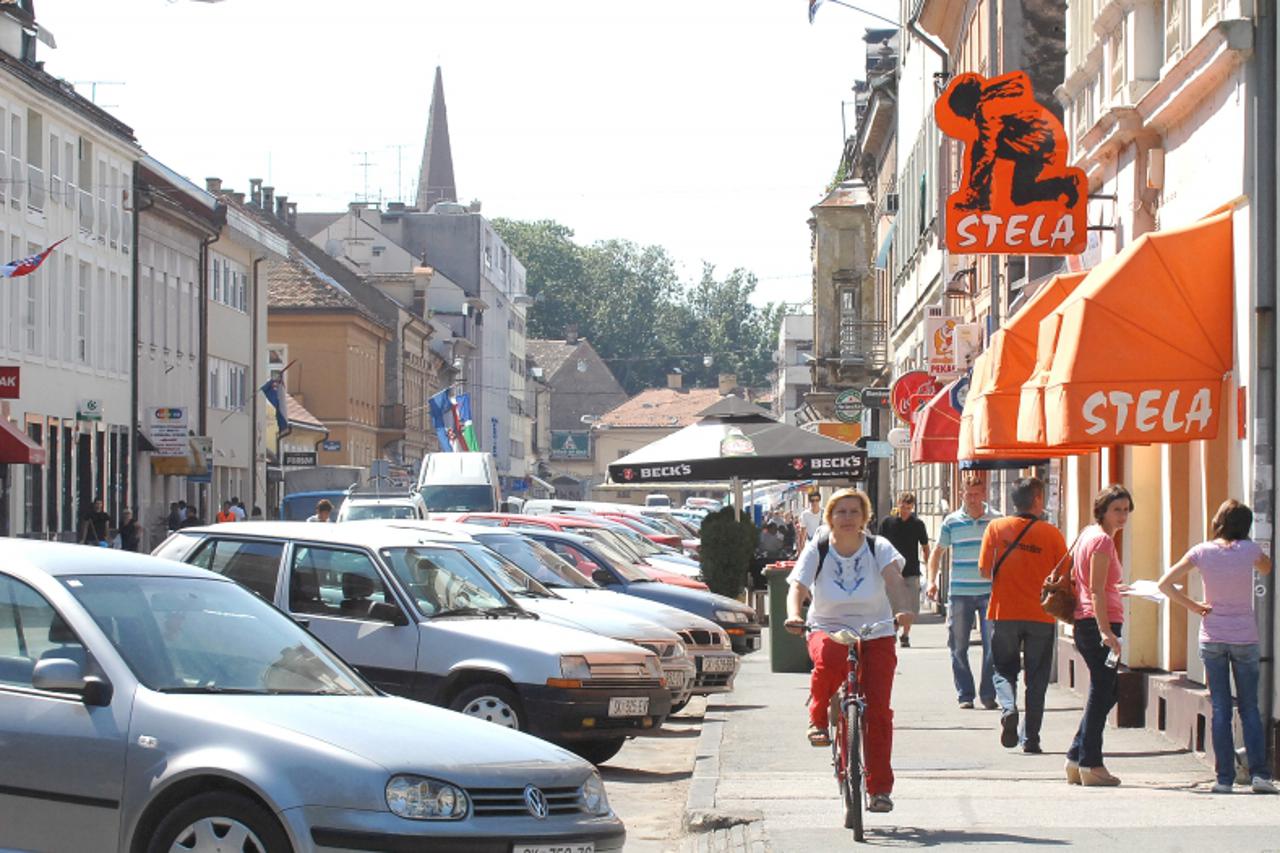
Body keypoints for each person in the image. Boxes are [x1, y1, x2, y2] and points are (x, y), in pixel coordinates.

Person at [784, 488, 915, 815]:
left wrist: (903, 609)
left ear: (864, 517)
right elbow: (798, 586)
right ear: (829, 517)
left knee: (879, 712)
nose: (847, 518)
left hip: (876, 629)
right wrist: (795, 614)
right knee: (829, 658)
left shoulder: (877, 546)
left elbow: (894, 580)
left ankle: (880, 789)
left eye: (854, 512)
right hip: (828, 626)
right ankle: (817, 718)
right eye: (840, 512)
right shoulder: (820, 547)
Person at [1157, 500, 1277, 795]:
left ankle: (1224, 778)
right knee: (1249, 708)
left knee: (1221, 708)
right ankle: (1260, 775)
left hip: (1212, 636)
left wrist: (1194, 607)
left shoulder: (1202, 551)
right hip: (1245, 638)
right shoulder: (1249, 551)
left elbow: (1164, 583)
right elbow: (1266, 568)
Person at [979, 476, 1067, 754]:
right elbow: (1064, 575)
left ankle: (1008, 708)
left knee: (1003, 669)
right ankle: (1031, 739)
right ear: (1038, 500)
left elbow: (984, 570)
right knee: (1037, 678)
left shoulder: (996, 528)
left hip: (1003, 611)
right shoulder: (1052, 534)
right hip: (1041, 614)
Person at [1062, 485, 1133, 786]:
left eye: (1127, 510)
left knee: (1106, 690)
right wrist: (1106, 632)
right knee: (1103, 690)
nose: (1122, 516)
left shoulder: (1087, 534)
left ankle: (1077, 757)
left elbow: (1098, 585)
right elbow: (1093, 589)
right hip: (1097, 624)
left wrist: (1121, 590)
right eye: (1116, 509)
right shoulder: (1102, 541)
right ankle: (1091, 763)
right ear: (1102, 510)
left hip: (1088, 622)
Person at [928, 474, 1000, 709]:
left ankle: (988, 694)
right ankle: (965, 694)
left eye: (976, 494)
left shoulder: (997, 520)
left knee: (993, 645)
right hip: (959, 592)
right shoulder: (952, 521)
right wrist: (932, 581)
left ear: (984, 494)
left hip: (990, 592)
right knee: (958, 646)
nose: (972, 499)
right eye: (968, 494)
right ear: (962, 494)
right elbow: (937, 552)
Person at [878, 492, 930, 648]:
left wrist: (927, 566)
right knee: (892, 604)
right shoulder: (888, 523)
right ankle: (893, 629)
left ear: (912, 507)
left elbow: (925, 546)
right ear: (898, 504)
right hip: (891, 571)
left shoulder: (918, 524)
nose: (905, 510)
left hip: (912, 570)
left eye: (908, 507)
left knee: (911, 606)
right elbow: (879, 545)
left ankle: (905, 635)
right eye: (903, 506)